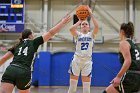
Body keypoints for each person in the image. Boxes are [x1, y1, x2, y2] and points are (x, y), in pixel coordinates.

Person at [0, 15, 71, 93]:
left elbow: (3, 59)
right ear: (30, 35)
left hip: (11, 69)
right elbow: (51, 33)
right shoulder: (34, 42)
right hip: (24, 71)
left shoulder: (16, 45)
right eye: (33, 34)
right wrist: (62, 23)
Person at [67, 6, 99, 93]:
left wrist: (91, 13)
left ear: (89, 27)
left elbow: (96, 26)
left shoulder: (91, 35)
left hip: (87, 62)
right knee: (72, 88)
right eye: (83, 24)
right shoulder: (78, 35)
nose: (84, 25)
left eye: (86, 24)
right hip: (76, 60)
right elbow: (71, 29)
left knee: (86, 89)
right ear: (80, 27)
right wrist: (80, 21)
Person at [103, 22, 140, 93]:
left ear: (122, 32)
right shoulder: (135, 45)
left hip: (130, 76)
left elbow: (128, 61)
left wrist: (118, 77)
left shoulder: (124, 43)